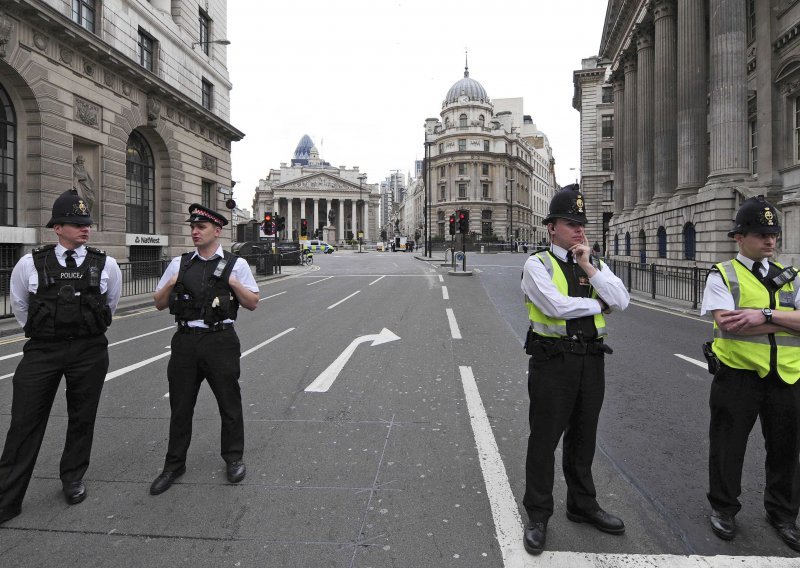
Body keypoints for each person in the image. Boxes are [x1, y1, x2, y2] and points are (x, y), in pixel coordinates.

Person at [520, 184, 630, 555]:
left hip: (591, 361)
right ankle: (538, 514)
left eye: (582, 224)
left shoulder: (594, 264)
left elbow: (622, 300)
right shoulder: (537, 263)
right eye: (571, 223)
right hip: (553, 362)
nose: (579, 230)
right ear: (551, 227)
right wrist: (599, 305)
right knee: (544, 440)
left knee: (584, 439)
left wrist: (587, 266)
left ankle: (582, 505)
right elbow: (555, 307)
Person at [0, 189, 121, 525]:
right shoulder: (30, 263)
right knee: (24, 422)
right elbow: (20, 307)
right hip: (43, 351)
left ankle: (72, 477)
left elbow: (109, 305)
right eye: (76, 223)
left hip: (89, 349)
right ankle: (7, 498)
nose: (85, 229)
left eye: (87, 223)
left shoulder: (106, 263)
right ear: (57, 227)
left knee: (82, 417)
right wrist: (46, 333)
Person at [700, 195, 800, 552]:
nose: (770, 240)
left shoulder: (792, 277)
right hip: (738, 375)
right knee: (728, 447)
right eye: (761, 233)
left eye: (773, 233)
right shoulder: (723, 274)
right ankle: (724, 509)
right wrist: (789, 324)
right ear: (739, 237)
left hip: (787, 378)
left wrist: (765, 316)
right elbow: (729, 323)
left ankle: (784, 515)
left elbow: (747, 320)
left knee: (787, 451)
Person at [149, 204, 259, 496]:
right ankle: (174, 465)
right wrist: (171, 282)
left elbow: (252, 302)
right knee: (181, 406)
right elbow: (159, 303)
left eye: (201, 227)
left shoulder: (237, 264)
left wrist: (233, 282)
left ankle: (233, 458)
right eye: (192, 227)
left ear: (217, 231)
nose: (194, 232)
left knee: (229, 402)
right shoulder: (180, 263)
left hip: (220, 340)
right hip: (185, 341)